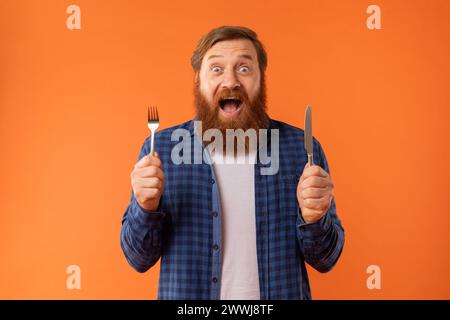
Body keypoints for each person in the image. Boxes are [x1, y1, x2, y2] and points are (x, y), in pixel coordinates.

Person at [120, 26, 344, 300]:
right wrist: (145, 207)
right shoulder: (161, 149)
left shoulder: (301, 148)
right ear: (197, 80)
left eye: (244, 68)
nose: (231, 81)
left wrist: (314, 218)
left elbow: (326, 259)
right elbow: (137, 258)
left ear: (261, 78)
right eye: (216, 69)